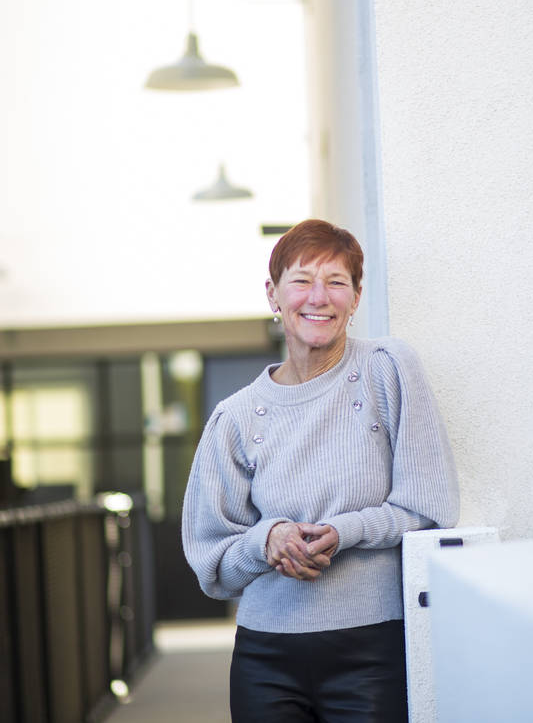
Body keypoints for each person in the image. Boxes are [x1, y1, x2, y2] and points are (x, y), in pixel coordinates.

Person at [182, 218, 459, 722]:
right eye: (302, 280)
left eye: (336, 282)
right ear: (273, 294)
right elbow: (212, 561)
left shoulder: (387, 370)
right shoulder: (235, 417)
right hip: (265, 656)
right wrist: (267, 540)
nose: (319, 297)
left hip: (372, 650)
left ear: (356, 296)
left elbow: (430, 508)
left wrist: (343, 531)